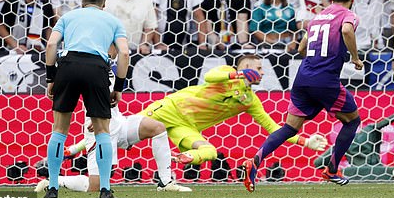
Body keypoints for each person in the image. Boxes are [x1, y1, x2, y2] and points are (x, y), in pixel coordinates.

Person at [243, 0, 363, 192]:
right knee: (352, 121)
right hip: (325, 81)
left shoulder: (318, 17)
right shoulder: (348, 15)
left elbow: (301, 48)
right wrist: (354, 57)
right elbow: (346, 31)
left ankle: (255, 161)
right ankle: (332, 170)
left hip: (303, 78)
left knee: (290, 128)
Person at [139, 55, 327, 165]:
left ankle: (185, 157)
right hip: (170, 108)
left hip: (185, 125)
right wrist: (238, 74)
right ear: (246, 67)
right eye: (259, 68)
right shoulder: (227, 73)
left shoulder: (250, 100)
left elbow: (272, 127)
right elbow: (210, 76)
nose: (262, 72)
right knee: (123, 134)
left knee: (209, 152)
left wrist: (305, 141)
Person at [43, 0, 130, 198]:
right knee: (102, 130)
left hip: (68, 65)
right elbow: (125, 53)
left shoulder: (68, 17)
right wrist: (118, 87)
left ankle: (52, 188)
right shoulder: (113, 21)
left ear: (82, 0)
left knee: (59, 129)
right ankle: (105, 189)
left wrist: (51, 78)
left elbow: (51, 45)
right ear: (104, 2)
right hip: (97, 69)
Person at [35, 75, 191, 193]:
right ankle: (53, 181)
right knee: (95, 186)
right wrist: (96, 117)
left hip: (118, 123)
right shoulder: (88, 64)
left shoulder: (110, 63)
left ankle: (165, 182)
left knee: (157, 128)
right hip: (98, 127)